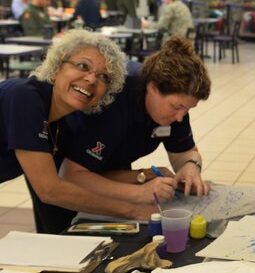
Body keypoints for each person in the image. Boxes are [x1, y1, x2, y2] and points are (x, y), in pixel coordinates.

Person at [0, 30, 154, 234]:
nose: (91, 80)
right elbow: (50, 189)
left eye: (103, 77)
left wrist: (144, 176)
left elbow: (80, 178)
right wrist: (132, 210)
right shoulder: (24, 98)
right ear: (56, 68)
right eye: (83, 66)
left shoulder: (62, 125)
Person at [62, 37, 211, 212]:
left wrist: (190, 166)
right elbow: (71, 175)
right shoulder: (113, 101)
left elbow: (184, 152)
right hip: (63, 170)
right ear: (153, 88)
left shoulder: (176, 106)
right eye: (177, 107)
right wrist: (138, 193)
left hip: (110, 169)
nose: (180, 118)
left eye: (187, 109)